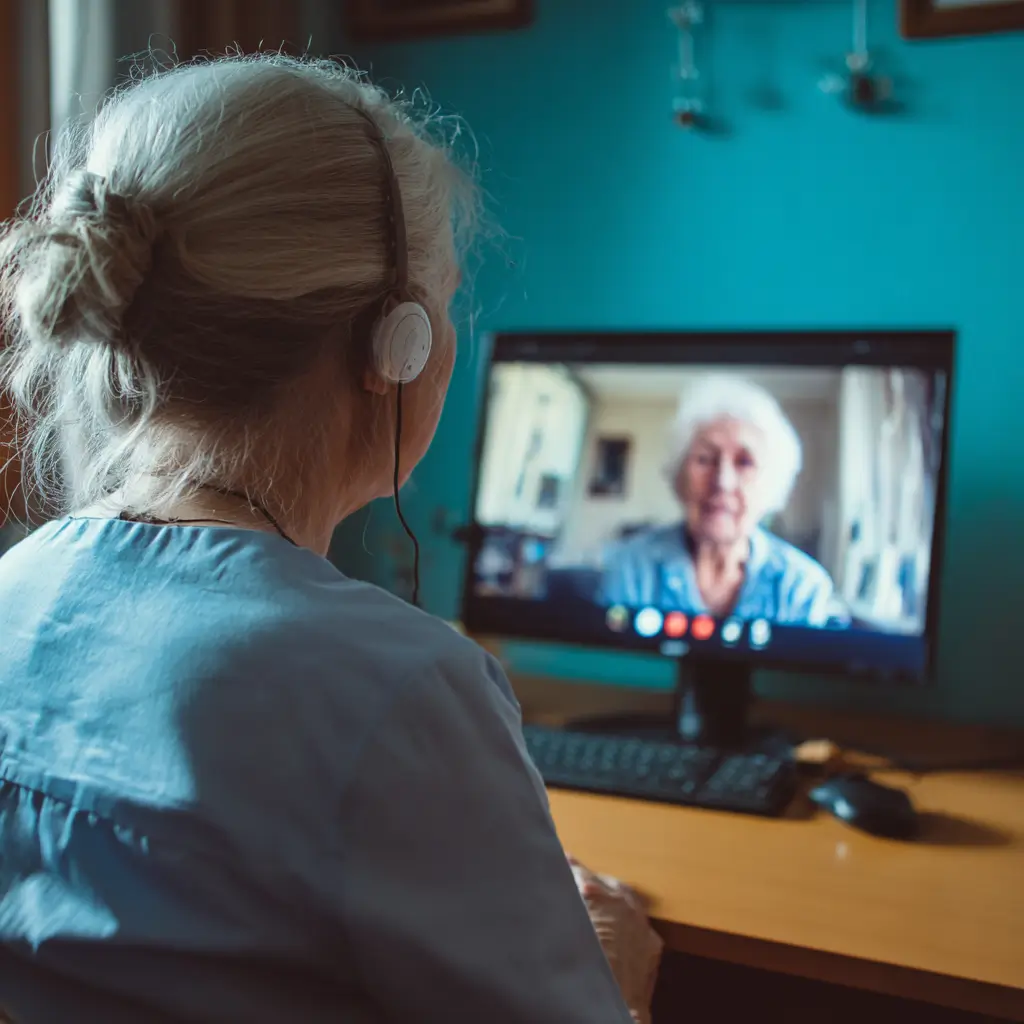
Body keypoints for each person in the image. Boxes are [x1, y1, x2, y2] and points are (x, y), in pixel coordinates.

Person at [0, 55, 658, 1024]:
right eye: (443, 298)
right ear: (392, 343)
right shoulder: (398, 688)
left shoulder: (14, 590)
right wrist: (617, 974)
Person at [601, 376, 845, 626]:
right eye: (705, 459)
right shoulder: (631, 567)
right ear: (679, 476)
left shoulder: (801, 586)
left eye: (745, 462)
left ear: (772, 486)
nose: (722, 481)